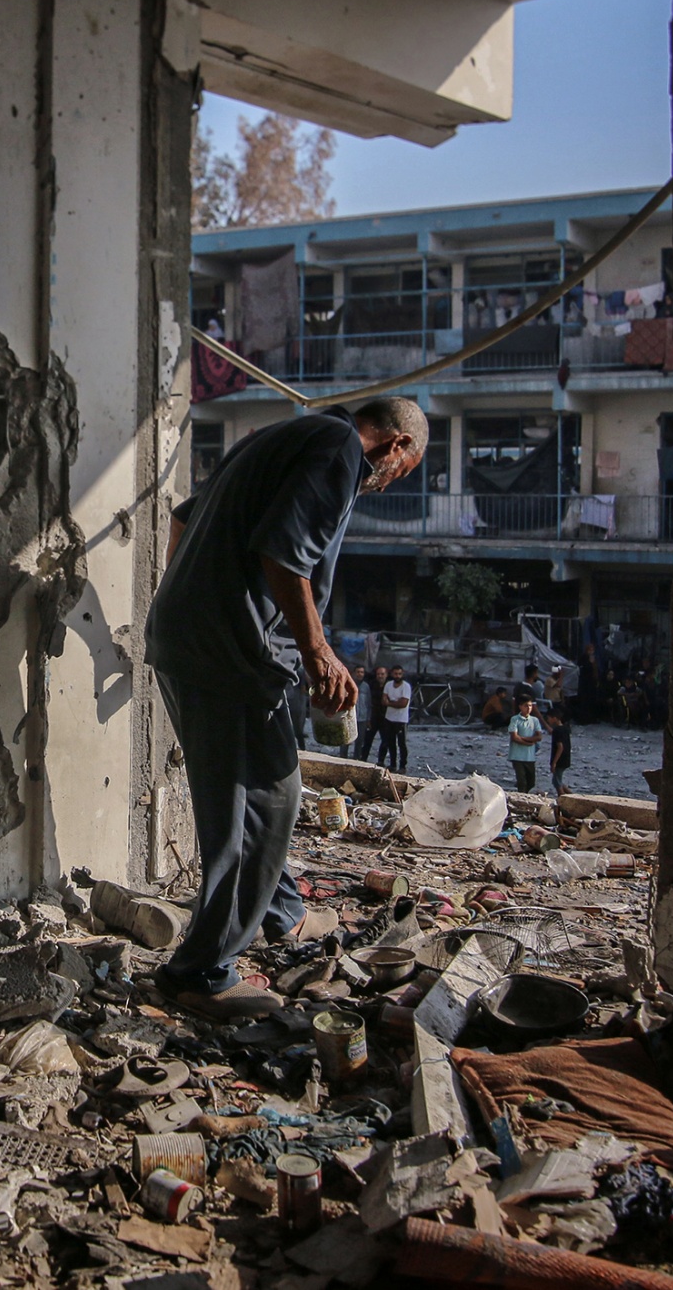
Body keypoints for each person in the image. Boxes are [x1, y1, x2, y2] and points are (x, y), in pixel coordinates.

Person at [144, 396, 427, 1020]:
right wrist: (318, 651)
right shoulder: (340, 449)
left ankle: (282, 915)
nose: (383, 484)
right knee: (268, 802)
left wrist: (187, 599)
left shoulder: (277, 436)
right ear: (397, 447)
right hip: (230, 651)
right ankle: (201, 973)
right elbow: (285, 553)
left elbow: (184, 520)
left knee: (235, 796)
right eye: (400, 472)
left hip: (185, 636)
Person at [506, 696, 544, 793]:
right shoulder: (515, 719)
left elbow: (539, 736)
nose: (529, 708)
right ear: (520, 707)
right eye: (526, 706)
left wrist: (523, 738)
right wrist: (528, 743)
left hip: (530, 756)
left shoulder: (534, 720)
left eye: (530, 706)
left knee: (531, 782)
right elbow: (514, 737)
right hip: (517, 756)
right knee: (522, 781)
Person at [380, 666, 413, 771]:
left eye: (399, 674)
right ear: (392, 674)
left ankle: (403, 766)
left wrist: (390, 703)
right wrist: (393, 702)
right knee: (391, 743)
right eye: (395, 674)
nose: (397, 676)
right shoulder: (388, 685)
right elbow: (383, 700)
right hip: (389, 718)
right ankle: (393, 765)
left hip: (401, 720)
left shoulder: (406, 686)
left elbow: (403, 703)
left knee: (402, 744)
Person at [354, 666, 383, 762]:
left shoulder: (366, 686)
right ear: (354, 673)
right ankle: (342, 759)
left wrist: (368, 718)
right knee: (346, 740)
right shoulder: (348, 684)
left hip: (362, 718)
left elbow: (368, 702)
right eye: (358, 672)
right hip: (350, 717)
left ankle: (356, 760)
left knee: (360, 741)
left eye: (362, 672)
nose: (360, 674)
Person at [546, 709, 572, 797]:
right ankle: (572, 795)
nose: (548, 720)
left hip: (559, 760)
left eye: (549, 718)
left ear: (555, 718)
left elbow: (560, 747)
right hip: (566, 758)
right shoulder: (565, 728)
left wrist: (554, 762)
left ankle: (564, 799)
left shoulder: (557, 731)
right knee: (557, 780)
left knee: (557, 782)